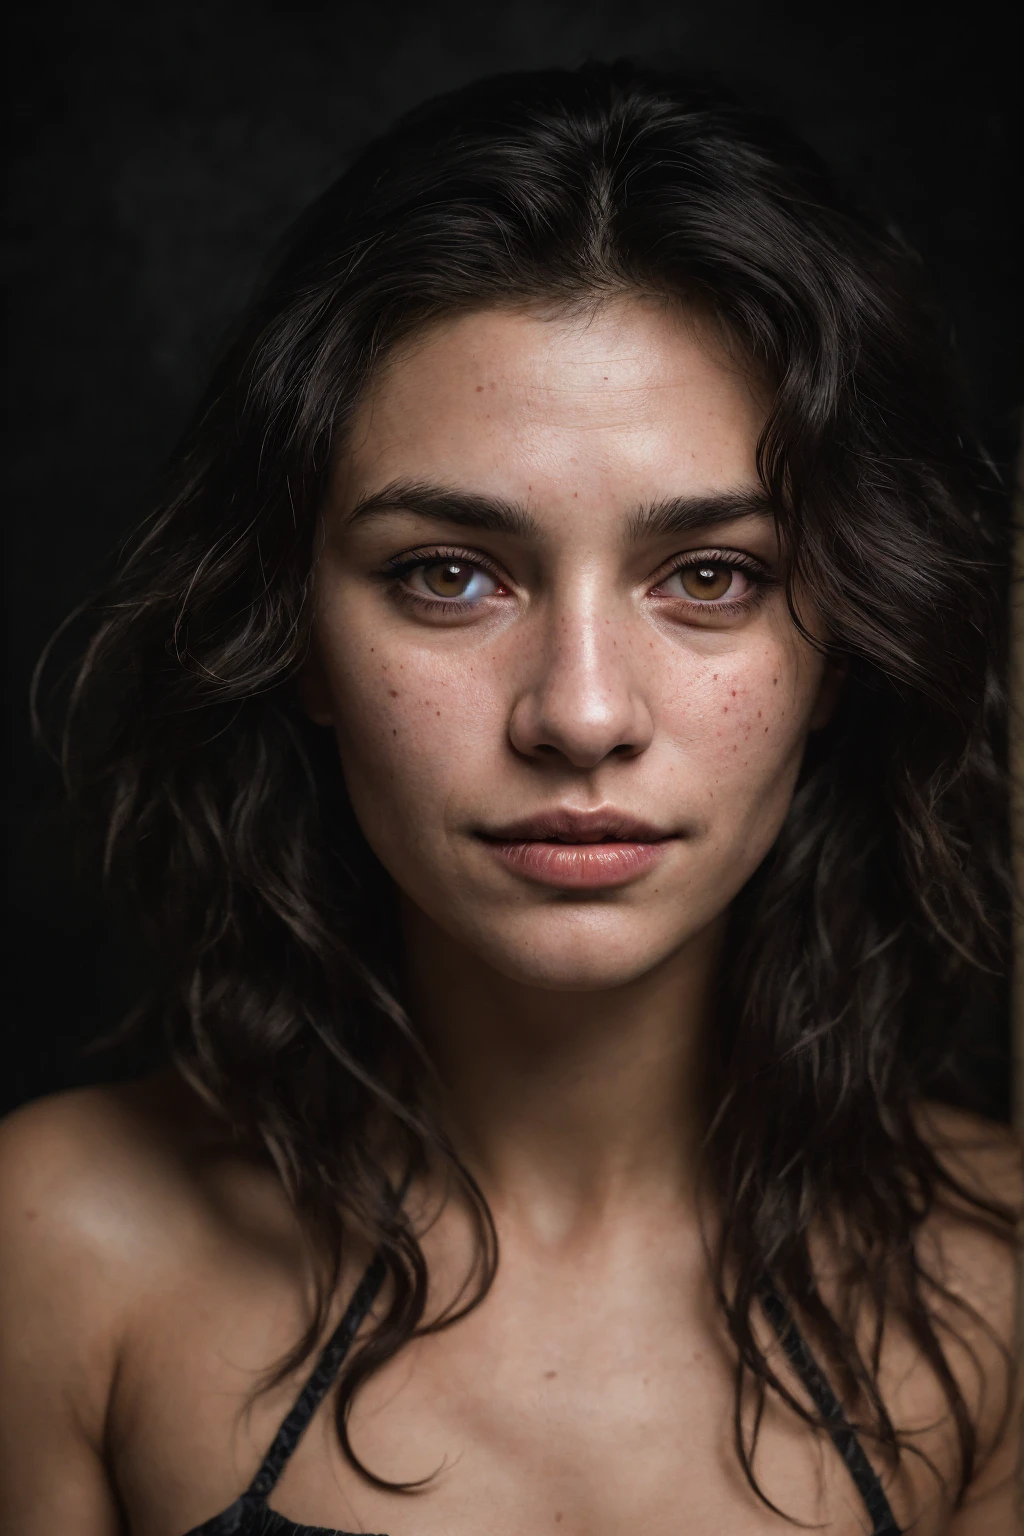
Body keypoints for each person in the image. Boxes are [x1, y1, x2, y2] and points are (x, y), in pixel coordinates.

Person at [0, 61, 1019, 1536]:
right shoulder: (58, 1252)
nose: (582, 715)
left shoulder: (997, 1292)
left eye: (713, 577)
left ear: (844, 646)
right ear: (295, 637)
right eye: (450, 574)